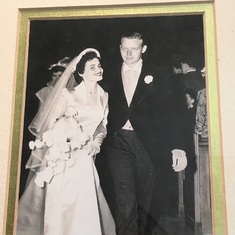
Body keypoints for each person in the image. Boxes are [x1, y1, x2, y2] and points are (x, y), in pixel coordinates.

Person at [17, 48, 116, 235]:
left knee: (85, 205)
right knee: (64, 205)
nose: (98, 70)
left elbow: (102, 125)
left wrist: (97, 142)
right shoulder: (68, 95)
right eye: (92, 67)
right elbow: (50, 124)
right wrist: (68, 135)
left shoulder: (104, 96)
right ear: (80, 72)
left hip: (87, 158)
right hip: (65, 159)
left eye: (99, 65)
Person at [105, 31, 187, 235]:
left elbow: (173, 111)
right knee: (125, 200)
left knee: (146, 199)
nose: (129, 53)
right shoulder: (106, 72)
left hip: (148, 142)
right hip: (118, 141)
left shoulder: (159, 73)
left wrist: (178, 147)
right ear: (120, 48)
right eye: (125, 48)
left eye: (134, 49)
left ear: (144, 49)